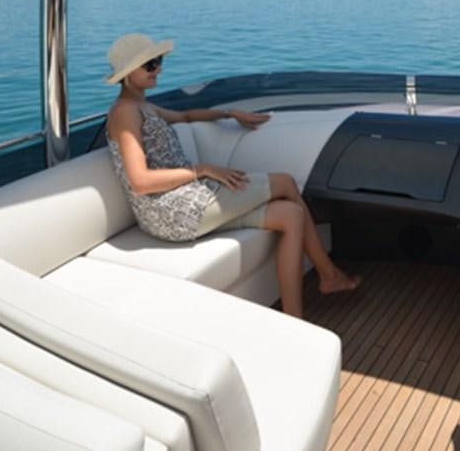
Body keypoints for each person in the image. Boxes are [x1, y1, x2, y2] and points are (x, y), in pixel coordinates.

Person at [104, 33, 359, 318]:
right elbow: (139, 181)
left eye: (158, 61)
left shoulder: (143, 107)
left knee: (291, 215)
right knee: (285, 182)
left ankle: (298, 316)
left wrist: (230, 113)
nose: (159, 69)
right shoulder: (124, 112)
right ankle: (329, 275)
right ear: (128, 74)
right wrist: (201, 170)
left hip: (186, 202)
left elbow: (186, 117)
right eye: (150, 64)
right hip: (173, 212)